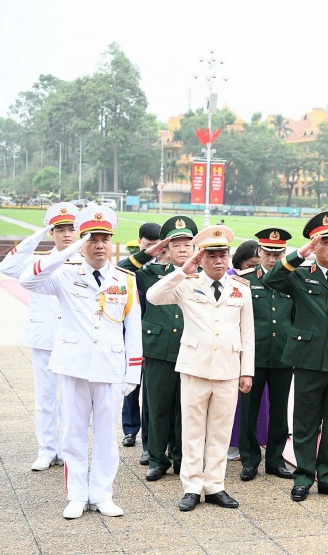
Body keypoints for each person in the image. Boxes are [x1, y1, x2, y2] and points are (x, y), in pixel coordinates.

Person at [20, 205, 142, 519]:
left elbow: (133, 331)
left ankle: (102, 494)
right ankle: (76, 494)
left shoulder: (125, 280)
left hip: (109, 367)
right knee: (73, 434)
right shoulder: (64, 273)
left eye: (105, 239)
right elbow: (27, 280)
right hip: (74, 366)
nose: (99, 245)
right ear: (82, 242)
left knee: (106, 436)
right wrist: (66, 253)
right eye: (92, 239)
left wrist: (133, 371)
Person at [262, 211, 328, 502]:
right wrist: (300, 254)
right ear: (314, 245)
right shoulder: (299, 275)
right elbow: (271, 280)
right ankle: (303, 477)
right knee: (306, 423)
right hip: (309, 361)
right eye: (325, 242)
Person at [146, 225, 255, 511]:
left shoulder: (240, 288)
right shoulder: (187, 283)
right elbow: (153, 296)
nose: (218, 261)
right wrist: (183, 270)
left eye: (223, 255)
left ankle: (215, 485)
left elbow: (247, 333)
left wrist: (247, 370)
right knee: (193, 432)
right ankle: (192, 486)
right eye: (212, 255)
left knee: (220, 432)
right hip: (195, 368)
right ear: (201, 258)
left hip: (228, 369)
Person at [118, 215, 199, 482]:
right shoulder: (151, 274)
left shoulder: (202, 277)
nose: (183, 249)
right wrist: (147, 253)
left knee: (186, 409)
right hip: (158, 349)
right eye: (176, 245)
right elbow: (118, 271)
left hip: (191, 350)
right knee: (157, 407)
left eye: (187, 244)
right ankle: (156, 458)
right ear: (166, 248)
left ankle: (181, 457)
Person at [0, 202, 79, 471]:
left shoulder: (84, 262)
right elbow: (7, 265)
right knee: (45, 397)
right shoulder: (36, 261)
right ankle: (46, 449)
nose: (66, 234)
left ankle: (67, 449)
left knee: (71, 399)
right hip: (44, 335)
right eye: (60, 230)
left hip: (73, 338)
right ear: (51, 233)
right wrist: (38, 235)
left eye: (71, 229)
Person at [239, 228, 296, 481]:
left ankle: (275, 460)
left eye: (278, 253)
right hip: (254, 355)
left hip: (283, 355)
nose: (273, 259)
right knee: (249, 411)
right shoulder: (246, 279)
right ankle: (250, 460)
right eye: (268, 253)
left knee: (280, 411)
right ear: (259, 251)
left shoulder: (291, 278)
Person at [226, 238, 267, 462]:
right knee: (235, 401)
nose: (254, 269)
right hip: (234, 347)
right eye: (251, 265)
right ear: (240, 262)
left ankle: (255, 441)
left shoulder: (265, 278)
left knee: (259, 401)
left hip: (259, 347)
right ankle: (232, 444)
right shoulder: (230, 279)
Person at [121, 222, 162, 452]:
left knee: (150, 393)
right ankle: (130, 429)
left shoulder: (164, 268)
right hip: (130, 334)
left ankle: (149, 440)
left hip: (154, 337)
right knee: (131, 385)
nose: (153, 250)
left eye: (157, 245)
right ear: (139, 243)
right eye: (148, 246)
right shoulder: (132, 266)